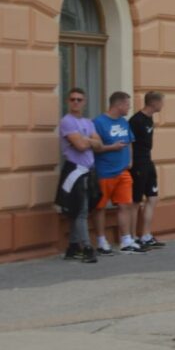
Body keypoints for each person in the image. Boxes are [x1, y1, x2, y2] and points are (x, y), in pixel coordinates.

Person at [92, 91, 140, 254]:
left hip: (123, 171)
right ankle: (101, 240)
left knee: (125, 205)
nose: (129, 107)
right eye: (127, 104)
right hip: (104, 171)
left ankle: (126, 239)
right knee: (100, 207)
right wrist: (111, 147)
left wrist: (130, 160)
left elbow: (130, 142)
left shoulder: (124, 122)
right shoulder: (99, 122)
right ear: (118, 105)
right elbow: (96, 147)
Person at [57, 88, 102, 263]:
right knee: (80, 211)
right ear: (68, 102)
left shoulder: (88, 122)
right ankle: (87, 248)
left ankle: (73, 246)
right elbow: (80, 146)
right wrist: (90, 141)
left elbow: (99, 144)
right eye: (73, 99)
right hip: (75, 171)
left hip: (88, 171)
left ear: (84, 102)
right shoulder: (67, 122)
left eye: (79, 99)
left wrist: (88, 140)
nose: (76, 102)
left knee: (82, 210)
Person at [129, 91, 165, 249]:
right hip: (138, 164)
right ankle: (131, 237)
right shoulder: (136, 120)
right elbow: (130, 143)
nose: (163, 105)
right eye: (162, 102)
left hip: (148, 161)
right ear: (154, 103)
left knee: (152, 197)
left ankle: (146, 235)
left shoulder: (150, 118)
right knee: (136, 201)